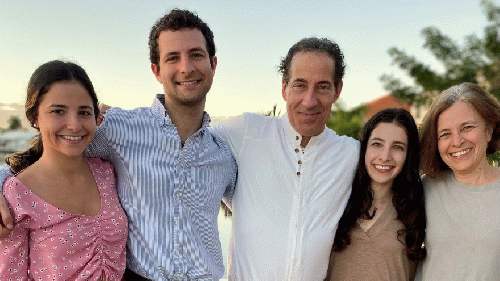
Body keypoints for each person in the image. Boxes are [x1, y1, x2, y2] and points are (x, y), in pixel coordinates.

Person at [0, 9, 236, 281]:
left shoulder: (224, 154)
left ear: (213, 64)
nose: (186, 67)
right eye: (173, 58)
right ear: (156, 71)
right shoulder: (118, 130)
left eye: (196, 55)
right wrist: (3, 181)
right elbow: (57, 150)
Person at [211, 37, 359, 280]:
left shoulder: (350, 154)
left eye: (322, 87)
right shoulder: (247, 132)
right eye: (300, 85)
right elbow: (187, 142)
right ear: (284, 87)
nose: (309, 101)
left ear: (337, 90)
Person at [0, 60, 128, 280]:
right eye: (58, 111)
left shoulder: (107, 172)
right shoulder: (16, 194)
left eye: (84, 112)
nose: (75, 125)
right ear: (34, 118)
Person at [326, 108, 426, 280]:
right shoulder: (336, 198)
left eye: (398, 147)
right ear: (365, 147)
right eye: (377, 144)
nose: (385, 156)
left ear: (408, 155)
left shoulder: (418, 207)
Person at [416, 83, 500, 280]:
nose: (457, 141)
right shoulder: (425, 188)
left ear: (489, 130)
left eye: (467, 127)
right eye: (445, 134)